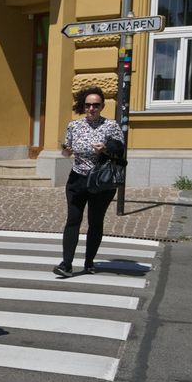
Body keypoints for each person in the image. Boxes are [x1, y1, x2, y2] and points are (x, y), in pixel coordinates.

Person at [55, 86, 125, 278]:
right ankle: (66, 264)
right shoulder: (74, 126)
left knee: (95, 221)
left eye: (96, 105)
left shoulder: (111, 126)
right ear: (83, 106)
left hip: (101, 181)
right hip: (77, 179)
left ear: (102, 106)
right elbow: (66, 152)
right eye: (88, 105)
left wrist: (105, 148)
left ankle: (89, 262)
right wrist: (66, 151)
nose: (92, 108)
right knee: (73, 220)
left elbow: (119, 150)